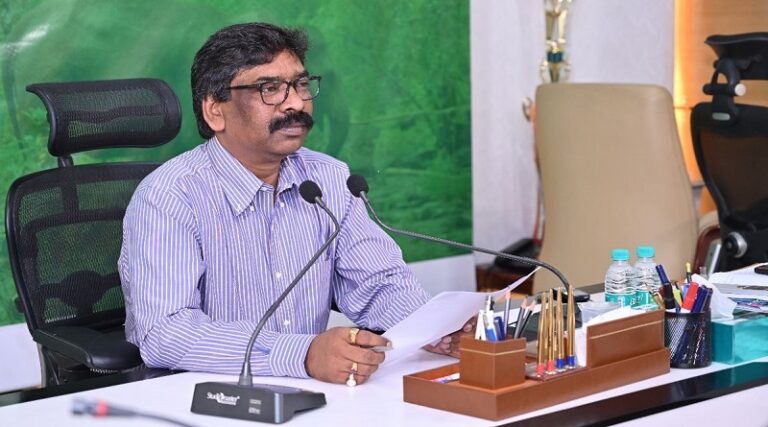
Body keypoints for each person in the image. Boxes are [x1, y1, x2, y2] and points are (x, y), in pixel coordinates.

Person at [119, 22, 468, 386]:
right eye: (269, 89)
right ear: (215, 111)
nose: (297, 103)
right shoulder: (170, 196)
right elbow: (166, 333)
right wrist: (302, 354)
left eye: (301, 85)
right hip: (202, 394)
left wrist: (442, 329)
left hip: (313, 389)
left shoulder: (328, 179)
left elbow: (378, 285)